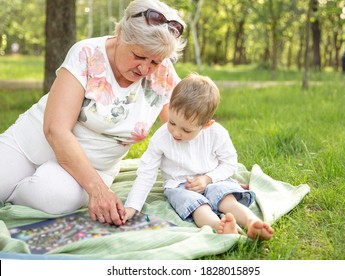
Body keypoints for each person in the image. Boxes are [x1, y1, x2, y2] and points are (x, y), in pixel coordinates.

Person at [0, 0, 186, 226]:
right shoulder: (86, 54)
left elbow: (184, 125)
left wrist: (203, 171)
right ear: (120, 35)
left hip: (90, 169)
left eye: (155, 61)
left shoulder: (162, 72)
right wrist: (98, 191)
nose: (145, 69)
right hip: (29, 144)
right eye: (138, 56)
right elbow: (56, 129)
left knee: (55, 196)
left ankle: (14, 194)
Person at [123, 73, 274, 239]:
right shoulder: (161, 138)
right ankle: (220, 226)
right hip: (179, 185)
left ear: (206, 125)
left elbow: (230, 163)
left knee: (226, 198)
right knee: (197, 206)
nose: (176, 132)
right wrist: (132, 206)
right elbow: (146, 172)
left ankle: (252, 222)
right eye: (172, 122)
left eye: (186, 130)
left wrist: (208, 178)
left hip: (212, 179)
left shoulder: (217, 134)